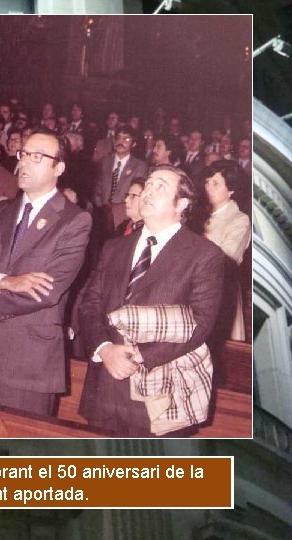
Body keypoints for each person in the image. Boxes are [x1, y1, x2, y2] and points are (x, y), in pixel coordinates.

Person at [0, 130, 92, 415]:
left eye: (37, 157)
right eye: (24, 154)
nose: (24, 162)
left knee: (24, 453)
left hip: (30, 359)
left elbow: (47, 291)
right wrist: (5, 282)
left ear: (58, 168)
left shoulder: (75, 220)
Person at [78, 165, 225, 436]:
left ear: (181, 203)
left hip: (161, 396)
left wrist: (139, 356)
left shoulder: (204, 255)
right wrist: (104, 348)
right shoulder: (114, 247)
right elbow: (89, 304)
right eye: (148, 185)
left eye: (160, 187)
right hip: (104, 392)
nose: (148, 191)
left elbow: (200, 324)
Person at [202, 160, 251, 342]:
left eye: (215, 183)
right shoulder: (198, 215)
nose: (208, 187)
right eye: (207, 182)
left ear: (231, 190)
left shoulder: (239, 220)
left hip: (220, 296)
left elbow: (226, 259)